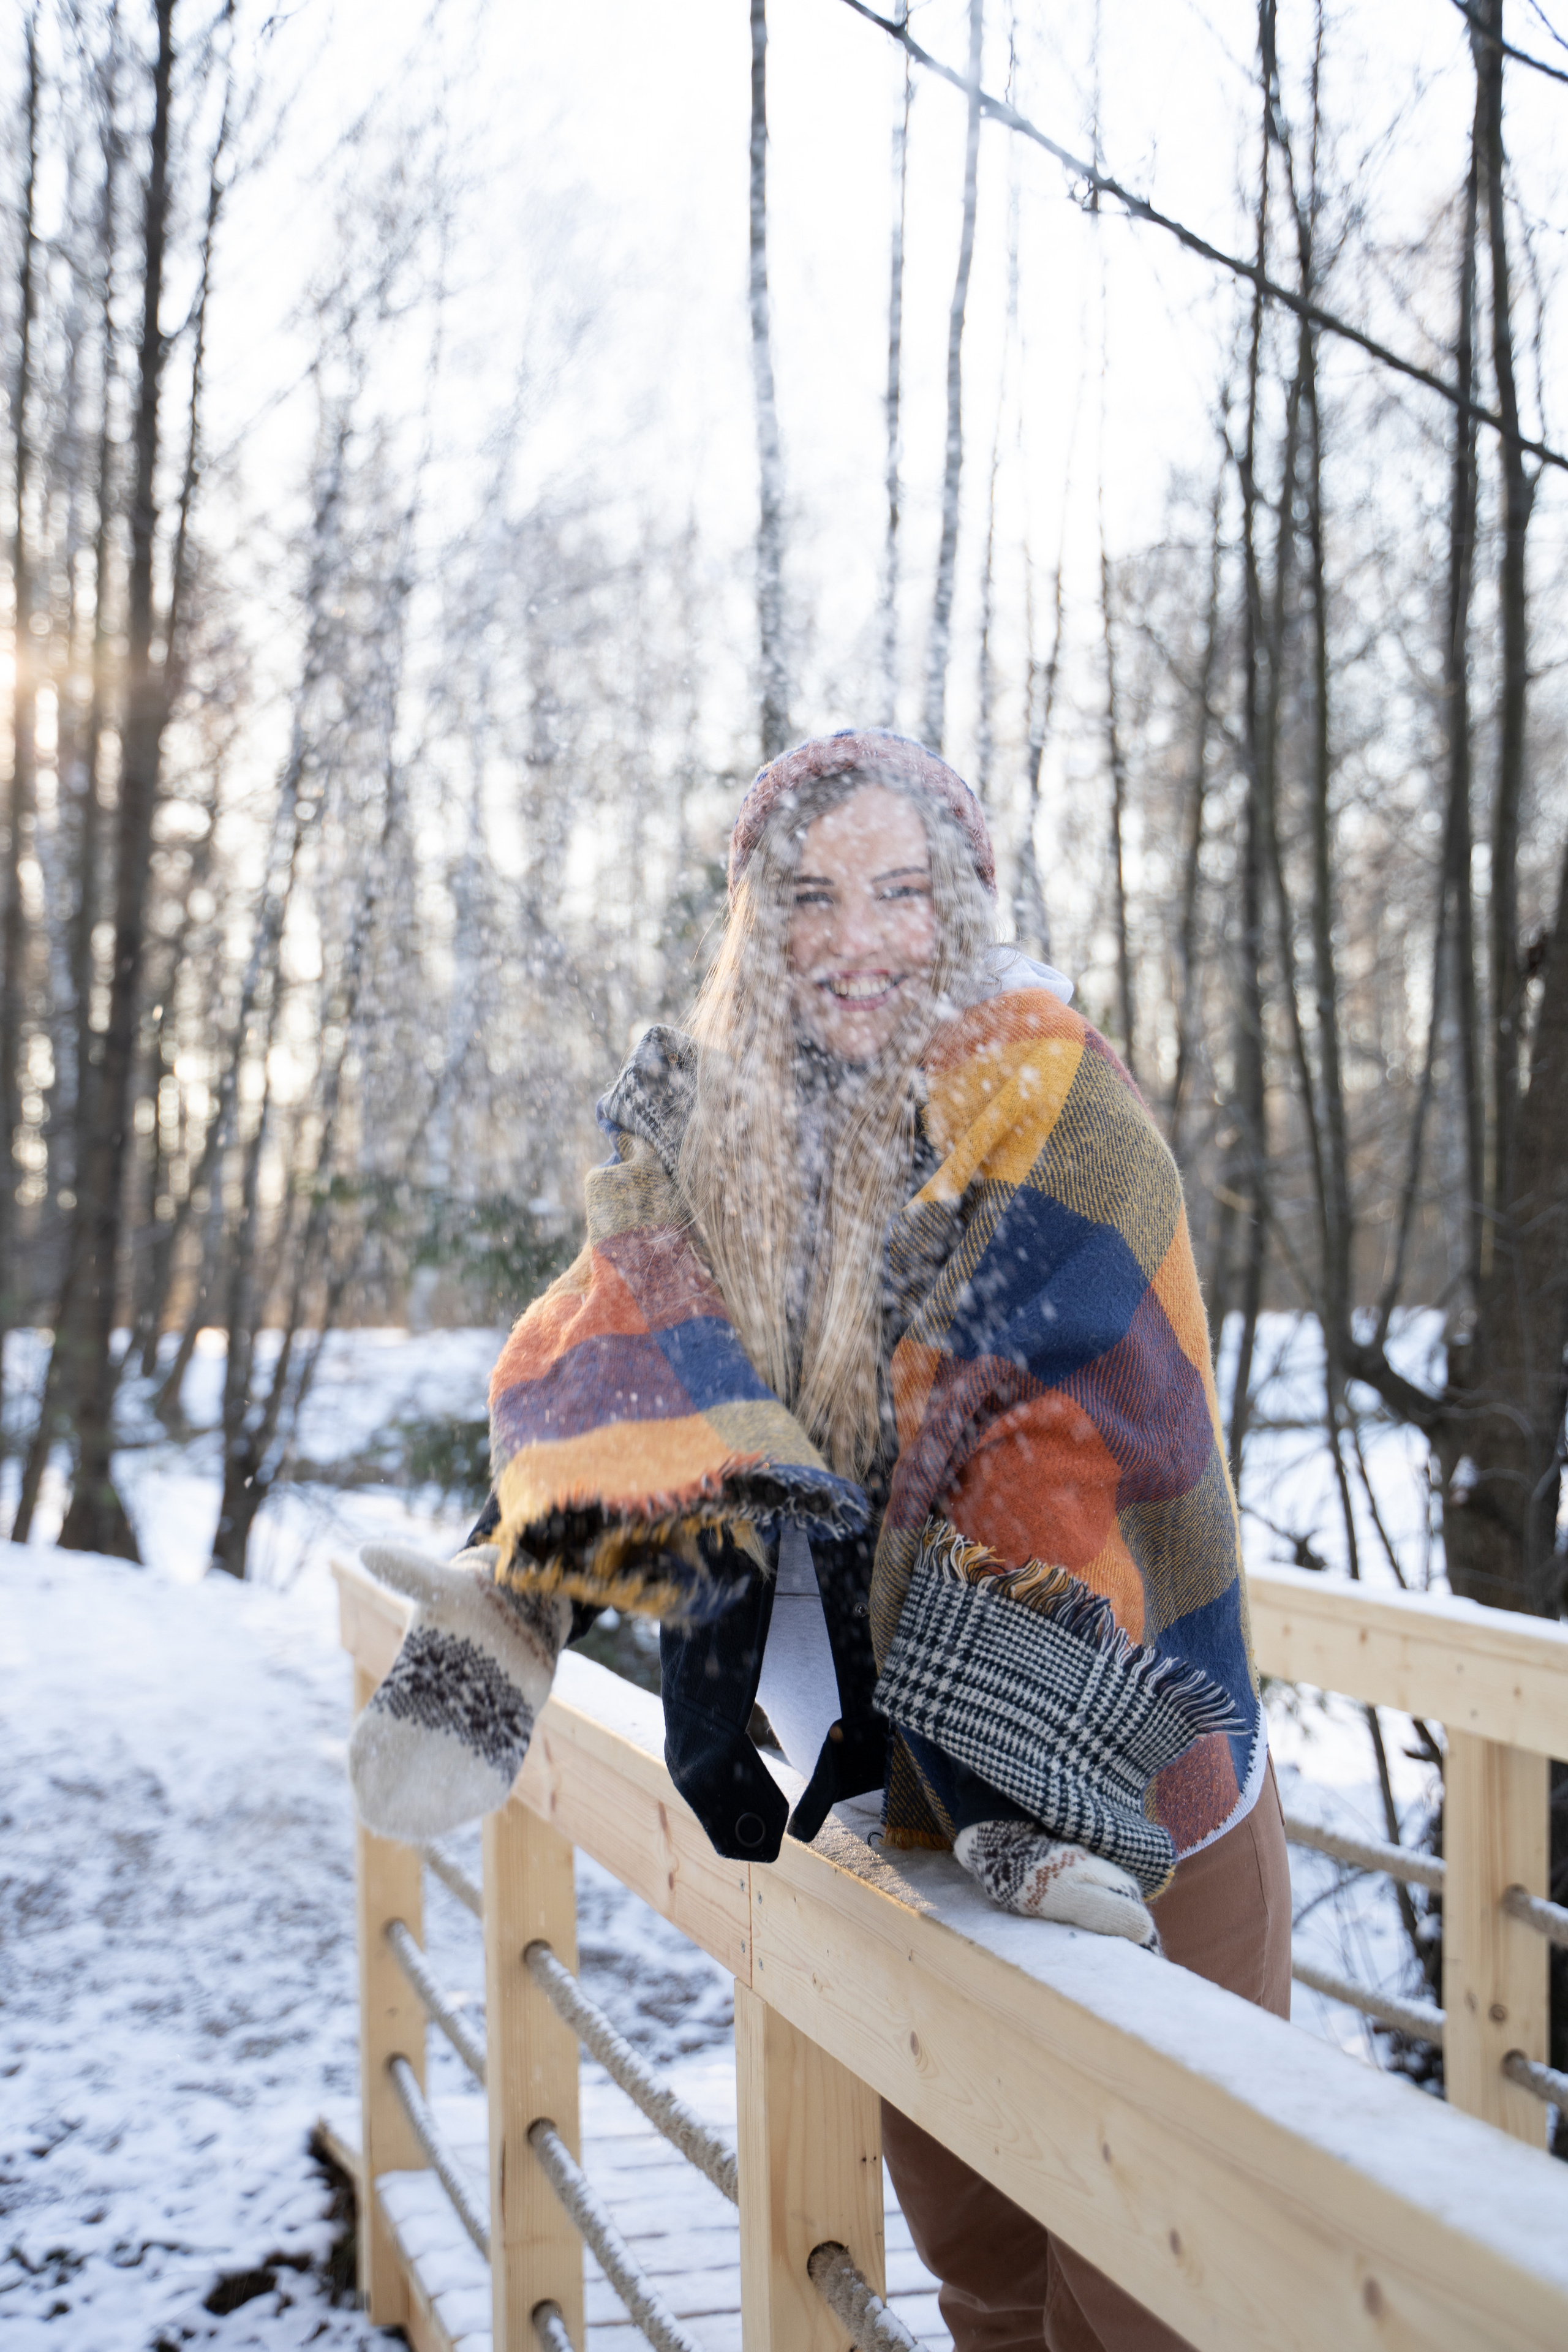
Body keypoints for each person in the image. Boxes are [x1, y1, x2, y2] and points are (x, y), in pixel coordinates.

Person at [350, 728, 1291, 2352]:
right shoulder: (727, 1134)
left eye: (903, 891)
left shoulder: (1062, 1103)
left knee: (1148, 2322)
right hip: (920, 1841)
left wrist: (1019, 1776)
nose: (858, 935)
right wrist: (530, 1579)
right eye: (811, 894)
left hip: (1138, 1804)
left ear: (966, 907)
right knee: (989, 2292)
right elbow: (623, 1350)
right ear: (755, 926)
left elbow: (1042, 1434)